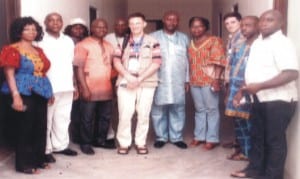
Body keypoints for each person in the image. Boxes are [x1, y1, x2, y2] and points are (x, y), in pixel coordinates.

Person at [231, 10, 298, 179]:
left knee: (274, 141)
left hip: (279, 100)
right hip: (258, 99)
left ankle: (272, 176)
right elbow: (253, 72)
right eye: (261, 20)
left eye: (269, 20)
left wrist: (260, 86)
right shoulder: (258, 42)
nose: (264, 23)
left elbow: (291, 73)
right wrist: (242, 91)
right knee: (257, 137)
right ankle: (255, 170)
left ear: (280, 23)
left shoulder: (283, 43)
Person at [0, 16, 53, 174]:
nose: (32, 32)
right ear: (19, 31)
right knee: (25, 126)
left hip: (40, 90)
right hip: (22, 90)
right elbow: (9, 74)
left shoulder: (39, 50)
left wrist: (49, 92)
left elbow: (42, 72)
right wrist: (16, 95)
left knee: (41, 125)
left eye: (34, 29)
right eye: (27, 29)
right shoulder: (12, 49)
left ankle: (39, 159)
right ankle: (24, 164)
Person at [113, 12, 161, 155]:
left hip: (146, 83)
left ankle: (141, 142)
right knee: (125, 114)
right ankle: (124, 143)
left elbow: (156, 63)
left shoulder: (153, 42)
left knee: (143, 114)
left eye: (138, 23)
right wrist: (128, 76)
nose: (135, 26)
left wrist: (138, 79)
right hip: (125, 82)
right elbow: (116, 61)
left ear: (144, 24)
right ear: (129, 25)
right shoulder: (122, 41)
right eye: (132, 24)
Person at [37, 12, 78, 163]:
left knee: (63, 118)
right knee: (47, 119)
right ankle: (46, 149)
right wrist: (43, 87)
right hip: (49, 87)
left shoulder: (68, 40)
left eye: (58, 20)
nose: (55, 23)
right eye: (51, 20)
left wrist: (74, 85)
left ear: (62, 23)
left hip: (66, 85)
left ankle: (60, 146)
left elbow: (70, 64)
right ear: (45, 23)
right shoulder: (39, 41)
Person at [73, 18, 116, 155]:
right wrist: (83, 88)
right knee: (87, 117)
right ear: (92, 28)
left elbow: (112, 66)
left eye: (104, 27)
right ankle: (85, 143)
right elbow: (78, 68)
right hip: (89, 87)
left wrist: (113, 86)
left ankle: (100, 140)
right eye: (98, 27)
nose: (101, 29)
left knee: (105, 117)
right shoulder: (83, 45)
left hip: (106, 86)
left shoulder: (109, 46)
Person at [150, 11, 189, 149]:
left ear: (178, 22)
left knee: (178, 108)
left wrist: (187, 80)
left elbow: (187, 61)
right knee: (158, 109)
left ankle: (176, 137)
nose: (171, 22)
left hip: (178, 80)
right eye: (168, 19)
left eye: (174, 20)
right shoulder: (152, 37)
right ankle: (161, 137)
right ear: (163, 20)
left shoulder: (184, 38)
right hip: (159, 79)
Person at [188, 17, 226, 150]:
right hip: (194, 81)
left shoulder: (214, 41)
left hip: (209, 81)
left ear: (206, 27)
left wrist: (216, 80)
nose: (196, 29)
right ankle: (199, 136)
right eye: (193, 26)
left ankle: (212, 138)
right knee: (199, 110)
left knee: (212, 109)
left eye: (200, 26)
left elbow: (219, 61)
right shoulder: (191, 43)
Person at [224, 16, 259, 161]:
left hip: (249, 90)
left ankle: (253, 155)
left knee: (251, 123)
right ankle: (244, 151)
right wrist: (228, 90)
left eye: (248, 25)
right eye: (243, 25)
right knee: (239, 122)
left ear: (257, 26)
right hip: (234, 87)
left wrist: (243, 89)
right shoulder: (239, 44)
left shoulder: (259, 45)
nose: (244, 28)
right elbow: (231, 66)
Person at [64, 18, 89, 144]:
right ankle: (75, 136)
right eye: (75, 27)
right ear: (70, 29)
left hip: (84, 77)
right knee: (73, 110)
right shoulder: (67, 42)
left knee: (82, 109)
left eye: (81, 28)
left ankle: (81, 134)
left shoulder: (85, 42)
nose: (79, 30)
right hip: (70, 78)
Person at [222, 11, 245, 150]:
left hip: (239, 83)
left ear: (240, 22)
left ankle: (243, 148)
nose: (229, 25)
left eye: (233, 22)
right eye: (227, 23)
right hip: (231, 80)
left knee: (241, 116)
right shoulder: (232, 38)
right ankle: (238, 143)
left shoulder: (242, 38)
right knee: (235, 116)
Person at [104, 17, 128, 146]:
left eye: (123, 25)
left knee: (124, 107)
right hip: (110, 75)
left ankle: (124, 134)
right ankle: (109, 134)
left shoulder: (130, 38)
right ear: (114, 26)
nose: (120, 27)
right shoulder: (107, 38)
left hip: (126, 75)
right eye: (118, 24)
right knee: (109, 107)